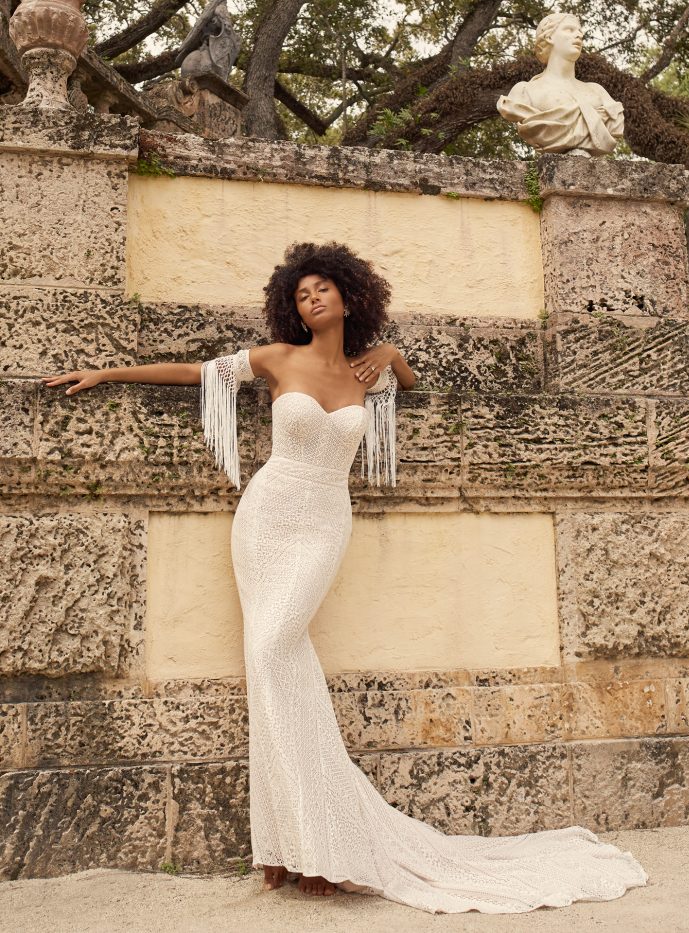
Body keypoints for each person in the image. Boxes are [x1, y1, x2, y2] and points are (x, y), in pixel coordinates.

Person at [42, 241, 648, 914]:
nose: (312, 300)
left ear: (350, 295)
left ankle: (312, 839)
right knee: (273, 653)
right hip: (267, 515)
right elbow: (195, 372)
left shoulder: (368, 371)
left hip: (325, 520)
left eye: (322, 289)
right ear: (290, 308)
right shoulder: (278, 359)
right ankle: (295, 842)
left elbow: (408, 384)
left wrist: (392, 356)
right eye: (301, 295)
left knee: (279, 653)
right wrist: (106, 373)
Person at [496, 12, 624, 156]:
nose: (579, 35)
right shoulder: (525, 92)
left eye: (580, 31)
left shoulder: (598, 92)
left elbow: (615, 126)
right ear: (549, 37)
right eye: (569, 29)